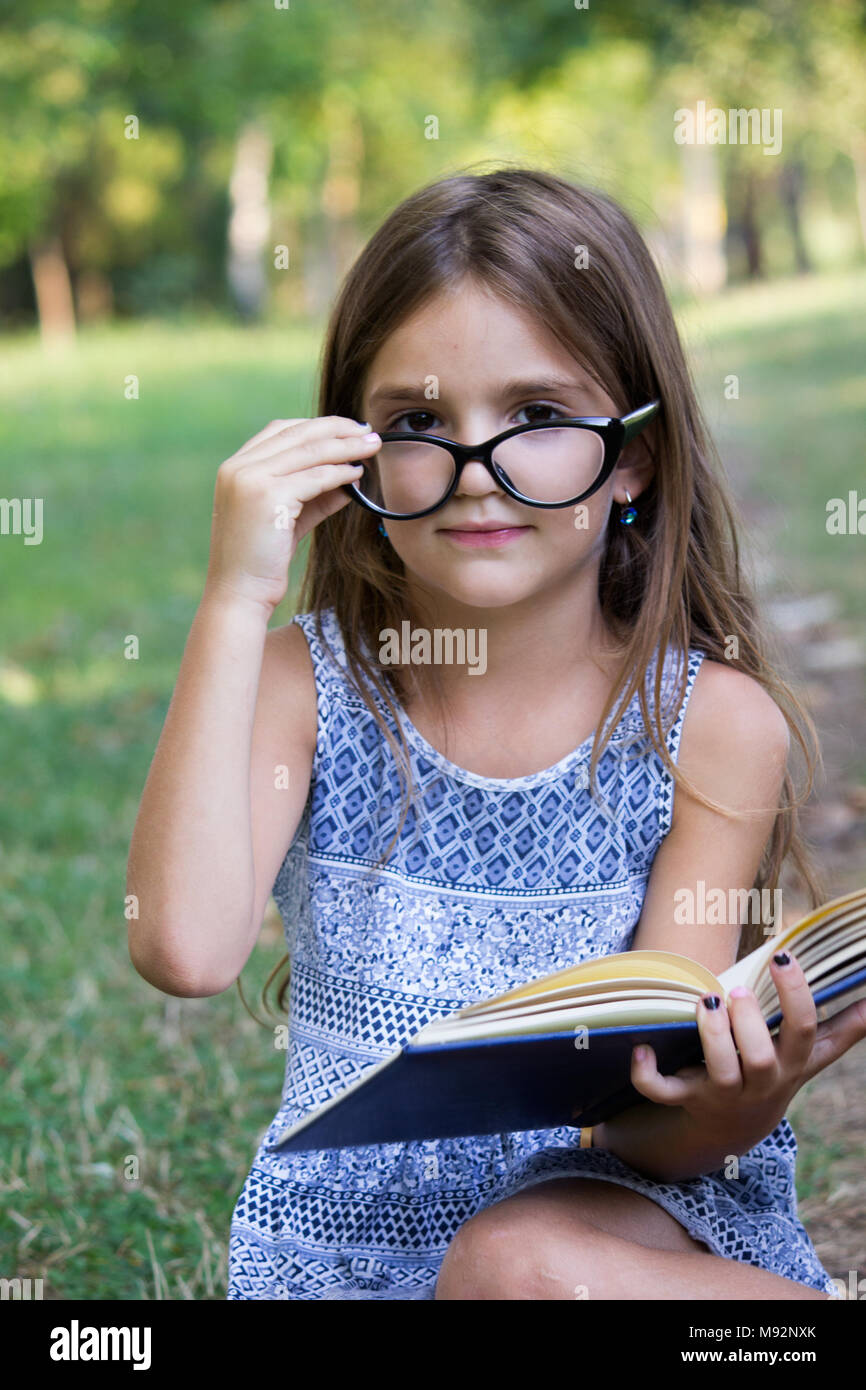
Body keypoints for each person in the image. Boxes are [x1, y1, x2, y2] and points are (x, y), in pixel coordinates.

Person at [126, 167, 866, 1300]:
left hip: (614, 1228)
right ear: (352, 454)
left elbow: (653, 1133)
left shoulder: (710, 726)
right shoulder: (304, 689)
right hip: (345, 1260)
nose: (476, 474)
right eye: (418, 422)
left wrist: (737, 1097)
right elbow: (185, 948)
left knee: (515, 1264)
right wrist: (234, 596)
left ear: (630, 458)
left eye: (534, 415)